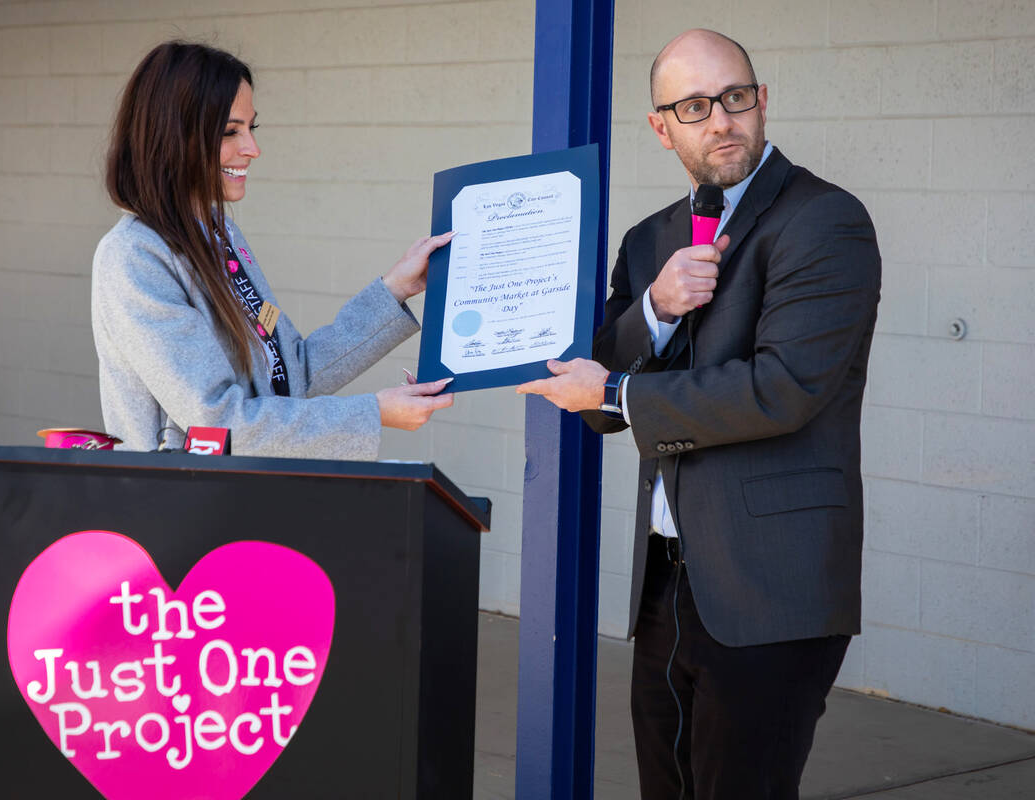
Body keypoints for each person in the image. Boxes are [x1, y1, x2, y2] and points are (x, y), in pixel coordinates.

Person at [517, 29, 881, 800]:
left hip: (770, 586)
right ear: (661, 127)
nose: (721, 120)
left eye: (735, 97)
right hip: (665, 583)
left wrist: (614, 392)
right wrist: (653, 306)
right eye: (694, 105)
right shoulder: (649, 241)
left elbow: (781, 388)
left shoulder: (824, 222)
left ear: (762, 101)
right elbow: (598, 404)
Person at [92, 41, 453, 458]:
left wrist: (395, 289)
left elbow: (289, 375)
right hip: (183, 509)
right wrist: (371, 413)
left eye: (252, 128)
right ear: (175, 137)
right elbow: (218, 424)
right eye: (230, 132)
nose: (252, 149)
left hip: (247, 500)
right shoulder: (134, 256)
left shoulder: (216, 232)